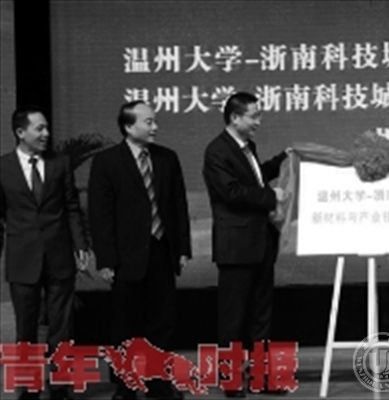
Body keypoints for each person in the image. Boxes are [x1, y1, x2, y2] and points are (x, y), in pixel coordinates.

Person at [88, 100, 192, 400]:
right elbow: (100, 215)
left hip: (162, 251)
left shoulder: (167, 158)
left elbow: (178, 206)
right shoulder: (107, 162)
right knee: (126, 324)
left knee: (162, 321)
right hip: (126, 257)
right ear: (128, 126)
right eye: (148, 122)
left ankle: (158, 382)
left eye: (154, 121)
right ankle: (126, 384)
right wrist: (106, 259)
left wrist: (182, 248)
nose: (155, 127)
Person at [0, 106, 89, 400]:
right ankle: (28, 388)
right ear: (20, 132)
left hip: (59, 256)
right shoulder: (3, 168)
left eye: (47, 128)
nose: (46, 134)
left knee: (61, 328)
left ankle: (61, 387)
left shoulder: (59, 163)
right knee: (25, 329)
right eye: (39, 128)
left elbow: (72, 208)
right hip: (22, 259)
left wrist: (80, 245)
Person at [202, 92, 288, 398]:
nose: (258, 122)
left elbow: (254, 178)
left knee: (260, 316)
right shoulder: (217, 151)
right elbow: (232, 193)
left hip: (260, 243)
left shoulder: (246, 147)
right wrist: (271, 196)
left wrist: (283, 160)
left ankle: (260, 378)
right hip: (236, 248)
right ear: (235, 117)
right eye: (254, 116)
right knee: (233, 318)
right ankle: (231, 379)